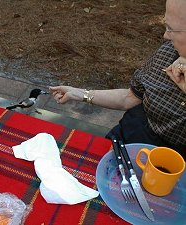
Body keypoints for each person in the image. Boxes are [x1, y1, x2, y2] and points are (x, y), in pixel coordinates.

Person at [49, 0, 186, 159]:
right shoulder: (168, 51)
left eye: (171, 29)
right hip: (129, 138)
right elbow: (130, 97)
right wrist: (79, 94)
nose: (165, 35)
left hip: (174, 164)